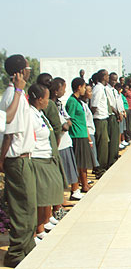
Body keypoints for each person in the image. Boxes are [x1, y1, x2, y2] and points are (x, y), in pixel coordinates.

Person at [0, 55, 36, 267]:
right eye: (27, 67)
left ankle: (27, 247)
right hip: (16, 159)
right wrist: (2, 159)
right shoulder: (12, 94)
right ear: (19, 72)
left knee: (29, 206)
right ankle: (15, 253)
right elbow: (9, 131)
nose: (30, 70)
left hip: (24, 158)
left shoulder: (19, 95)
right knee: (22, 207)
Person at [28, 84, 66, 243]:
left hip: (47, 157)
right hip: (38, 159)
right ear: (39, 99)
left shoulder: (40, 113)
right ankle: (36, 230)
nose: (48, 102)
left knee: (50, 195)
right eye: (46, 98)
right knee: (41, 198)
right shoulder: (30, 114)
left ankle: (42, 226)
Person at [50, 78, 83, 203]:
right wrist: (66, 124)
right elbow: (63, 125)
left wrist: (67, 124)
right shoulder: (51, 105)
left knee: (70, 169)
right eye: (62, 88)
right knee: (62, 173)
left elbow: (68, 120)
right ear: (56, 91)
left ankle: (74, 192)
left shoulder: (59, 104)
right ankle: (60, 202)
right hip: (60, 144)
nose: (64, 90)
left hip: (66, 141)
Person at [66, 78, 97, 194]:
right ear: (79, 87)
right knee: (81, 162)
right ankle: (83, 185)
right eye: (84, 87)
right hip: (77, 135)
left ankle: (84, 183)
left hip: (83, 134)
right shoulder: (72, 101)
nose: (85, 90)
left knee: (85, 162)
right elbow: (70, 119)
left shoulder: (78, 101)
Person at [91, 69, 110, 178]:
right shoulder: (98, 89)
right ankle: (100, 169)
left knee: (104, 145)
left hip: (103, 118)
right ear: (103, 77)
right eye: (107, 76)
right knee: (102, 146)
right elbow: (94, 105)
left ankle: (102, 167)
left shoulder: (102, 88)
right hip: (99, 119)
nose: (108, 78)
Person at [80, 84, 100, 168]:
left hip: (91, 131)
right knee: (91, 154)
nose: (91, 93)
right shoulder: (81, 105)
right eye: (89, 91)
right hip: (88, 132)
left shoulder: (87, 103)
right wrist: (89, 138)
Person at [106, 73, 120, 167]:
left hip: (116, 115)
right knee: (112, 139)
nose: (114, 82)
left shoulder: (114, 90)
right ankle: (111, 160)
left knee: (116, 138)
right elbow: (109, 104)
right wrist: (116, 112)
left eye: (116, 80)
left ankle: (115, 156)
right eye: (112, 80)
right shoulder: (106, 89)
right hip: (111, 115)